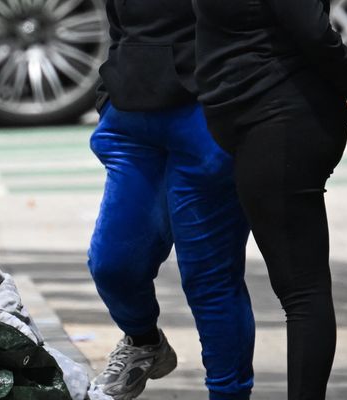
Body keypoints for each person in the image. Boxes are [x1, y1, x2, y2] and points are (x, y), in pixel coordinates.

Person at [193, 1, 347, 398]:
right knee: (297, 289)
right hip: (261, 118)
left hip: (281, 123)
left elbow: (310, 28)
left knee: (302, 291)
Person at [84, 1, 255, 399]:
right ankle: (144, 343)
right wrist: (108, 98)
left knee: (209, 280)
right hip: (132, 117)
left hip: (208, 117)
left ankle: (229, 394)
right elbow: (119, 23)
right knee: (112, 265)